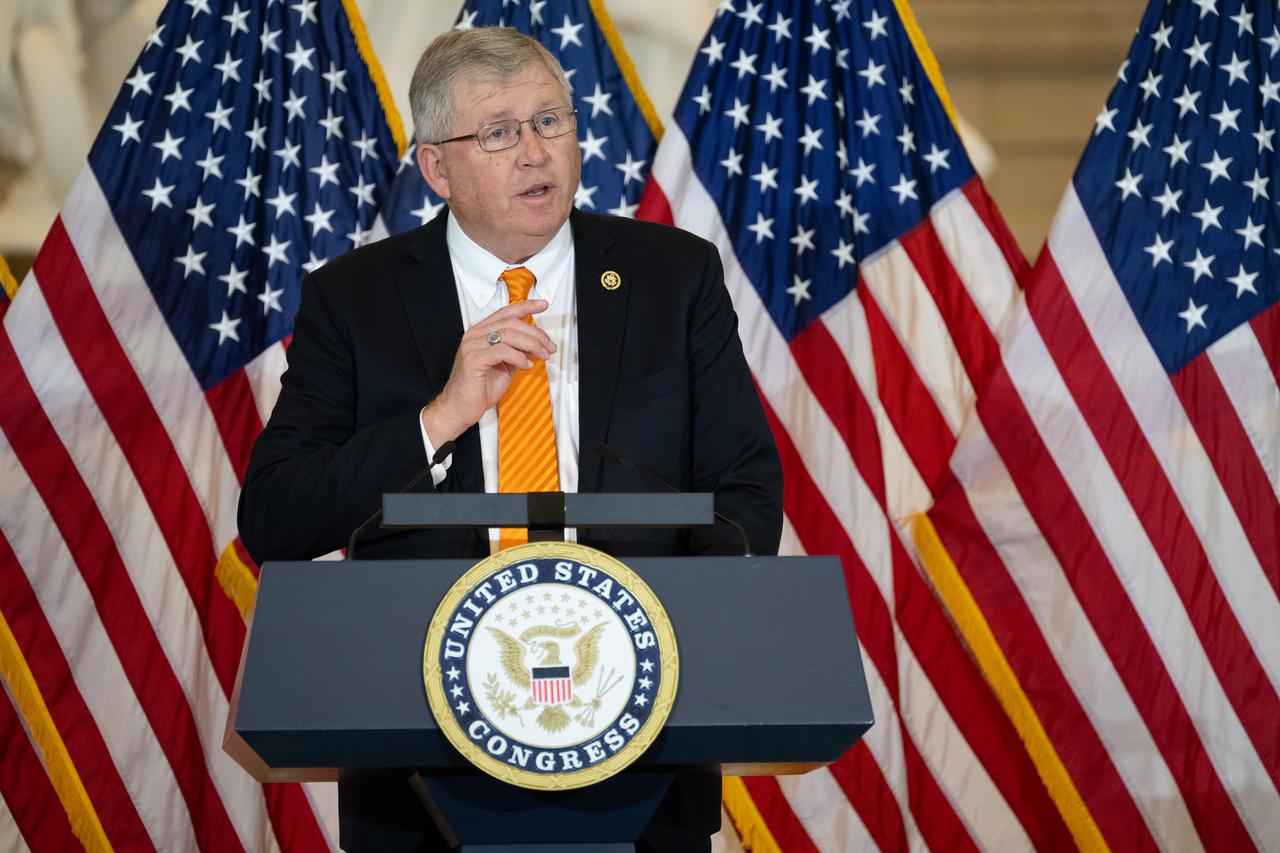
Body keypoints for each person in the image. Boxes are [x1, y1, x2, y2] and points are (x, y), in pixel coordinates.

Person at [238, 26, 782, 853]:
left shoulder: (674, 278)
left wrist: (648, 654)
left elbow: (745, 496)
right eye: (498, 132)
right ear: (435, 167)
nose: (535, 152)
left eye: (550, 122)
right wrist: (441, 416)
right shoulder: (355, 302)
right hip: (420, 767)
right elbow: (276, 515)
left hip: (640, 752)